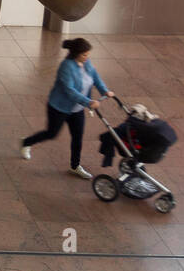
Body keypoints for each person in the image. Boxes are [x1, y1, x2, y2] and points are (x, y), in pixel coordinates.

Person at [21, 38, 115, 179]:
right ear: (76, 53)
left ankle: (75, 166)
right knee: (52, 133)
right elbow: (69, 90)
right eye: (84, 55)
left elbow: (95, 77)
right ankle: (26, 142)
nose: (87, 57)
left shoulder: (86, 63)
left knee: (77, 137)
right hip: (59, 107)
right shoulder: (66, 66)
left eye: (88, 54)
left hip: (77, 109)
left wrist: (105, 91)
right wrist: (88, 102)